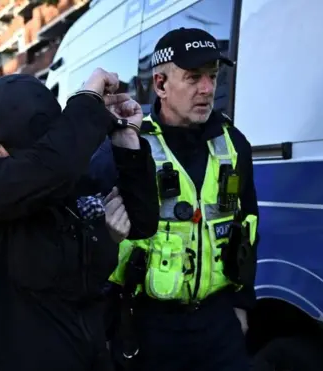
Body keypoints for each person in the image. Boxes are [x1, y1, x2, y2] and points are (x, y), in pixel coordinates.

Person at [0, 70, 159, 371]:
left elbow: (141, 223)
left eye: (46, 143)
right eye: (24, 152)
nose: (40, 156)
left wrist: (126, 139)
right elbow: (47, 168)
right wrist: (88, 99)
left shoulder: (62, 169)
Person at [93, 28, 260, 371]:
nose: (208, 89)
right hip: (149, 326)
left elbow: (249, 223)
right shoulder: (127, 143)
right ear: (161, 85)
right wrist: (109, 327)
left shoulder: (234, 143)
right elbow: (100, 237)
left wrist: (241, 306)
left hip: (218, 323)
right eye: (194, 77)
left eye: (212, 77)